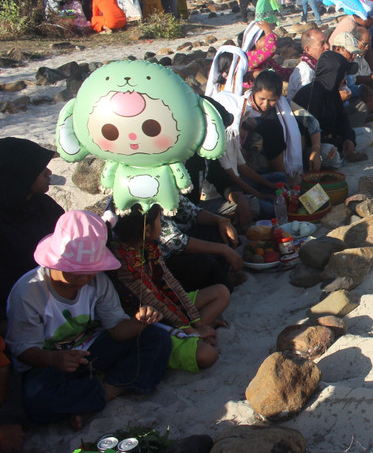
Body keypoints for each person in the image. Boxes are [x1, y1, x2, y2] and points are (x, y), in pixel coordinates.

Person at [5, 211, 171, 429]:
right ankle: (107, 390)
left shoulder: (98, 283)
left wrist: (140, 321)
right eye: (75, 272)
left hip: (93, 350)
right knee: (37, 398)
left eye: (89, 272)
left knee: (157, 338)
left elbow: (117, 329)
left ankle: (102, 394)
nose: (83, 279)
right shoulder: (29, 292)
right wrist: (55, 360)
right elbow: (23, 351)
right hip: (49, 365)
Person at [107, 205, 222, 373]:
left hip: (168, 304)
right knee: (208, 355)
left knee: (220, 293)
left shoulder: (148, 246)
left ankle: (198, 332)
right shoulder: (125, 261)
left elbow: (170, 285)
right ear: (147, 229)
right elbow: (153, 300)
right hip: (150, 321)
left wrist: (196, 322)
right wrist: (191, 329)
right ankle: (193, 338)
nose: (162, 226)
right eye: (160, 221)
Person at [0, 138, 64, 325]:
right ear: (21, 175)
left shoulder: (43, 204)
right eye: (39, 169)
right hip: (15, 311)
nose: (49, 173)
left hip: (58, 298)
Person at [293, 31, 362, 162]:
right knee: (330, 154)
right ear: (335, 75)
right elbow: (308, 133)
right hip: (313, 146)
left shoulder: (333, 93)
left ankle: (344, 151)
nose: (344, 78)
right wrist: (336, 141)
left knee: (365, 135)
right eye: (342, 74)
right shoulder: (311, 95)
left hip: (332, 139)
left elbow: (343, 121)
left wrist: (349, 139)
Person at [288, 28, 330, 97]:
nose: (327, 46)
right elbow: (306, 101)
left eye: (327, 42)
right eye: (322, 43)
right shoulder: (306, 71)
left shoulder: (317, 65)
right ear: (308, 49)